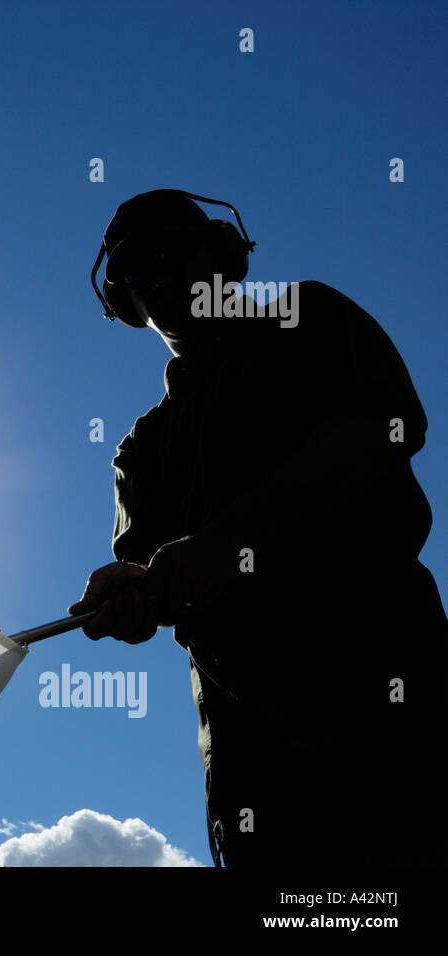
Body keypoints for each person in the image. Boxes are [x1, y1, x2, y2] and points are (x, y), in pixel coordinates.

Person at [68, 188, 447, 866]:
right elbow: (153, 581)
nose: (157, 278)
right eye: (133, 271)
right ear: (124, 304)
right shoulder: (142, 449)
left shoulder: (311, 318)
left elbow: (380, 432)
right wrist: (130, 596)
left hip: (393, 710)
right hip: (254, 769)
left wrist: (220, 546)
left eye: (169, 251)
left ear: (224, 252)